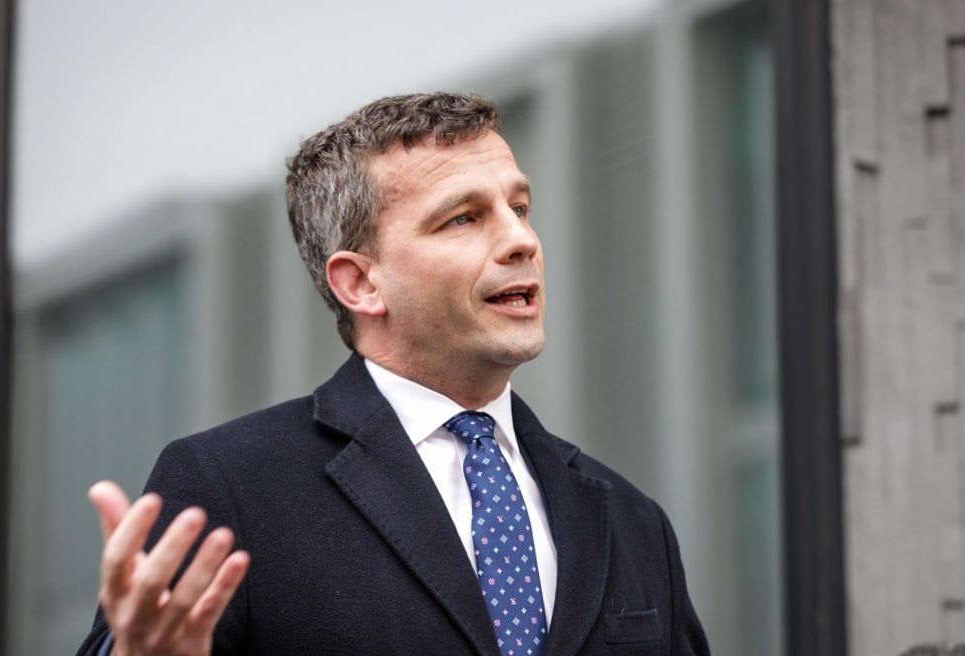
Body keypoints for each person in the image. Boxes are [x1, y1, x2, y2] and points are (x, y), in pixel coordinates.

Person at [76, 92, 709, 656]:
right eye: (463, 217)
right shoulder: (230, 486)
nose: (521, 240)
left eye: (519, 207)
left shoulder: (631, 518)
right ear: (361, 282)